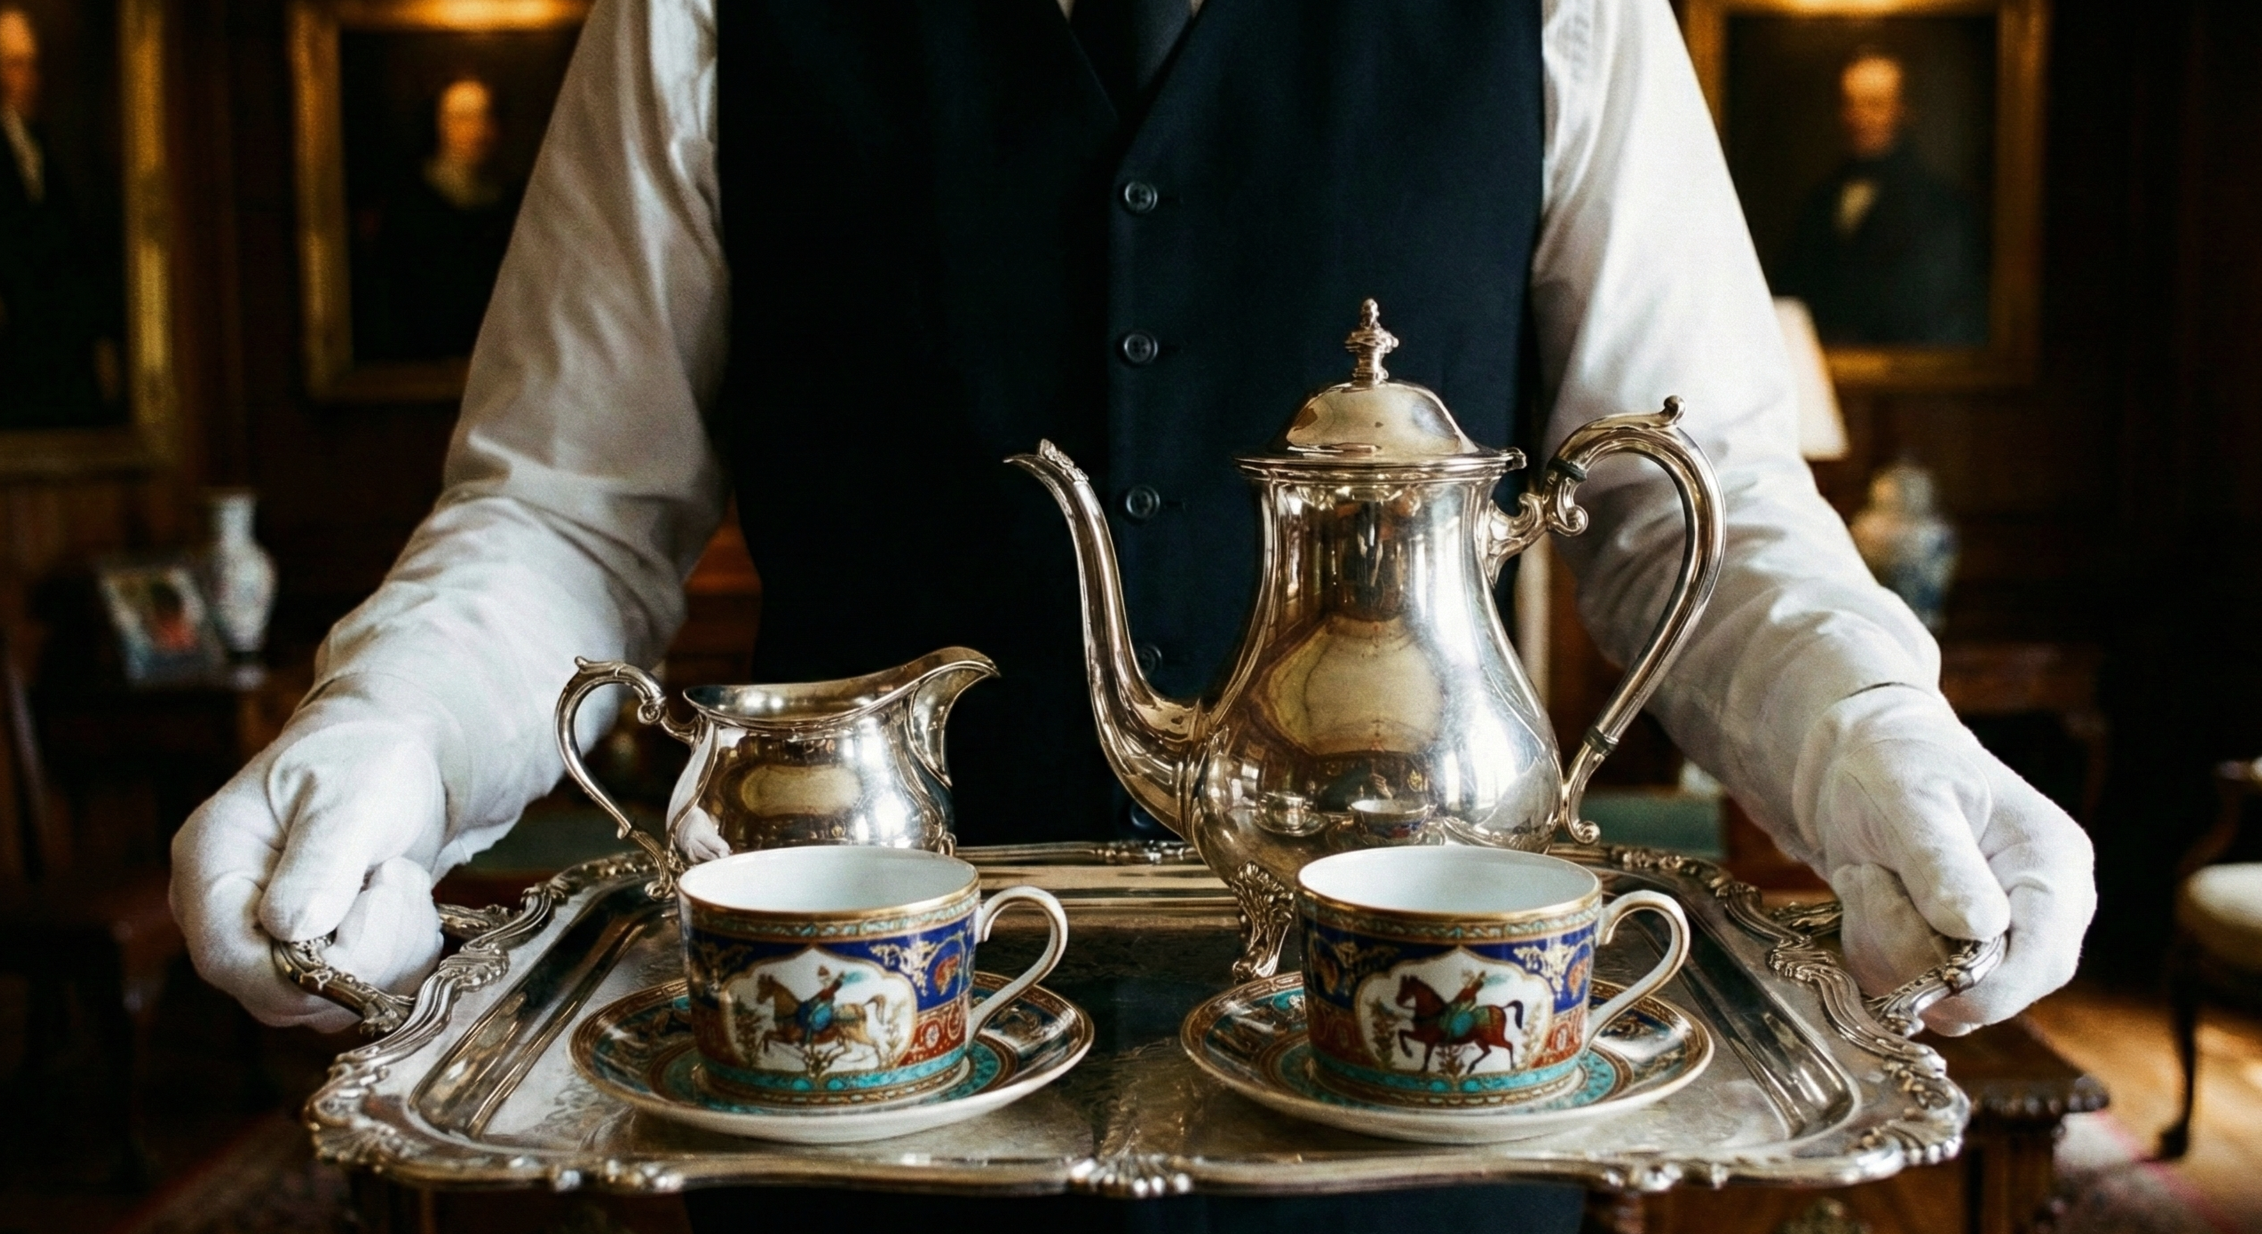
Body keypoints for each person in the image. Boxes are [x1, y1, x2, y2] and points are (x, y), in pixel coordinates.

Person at [172, 0, 2095, 1229]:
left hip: (1423, 1113)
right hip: (856, 1111)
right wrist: (392, 738)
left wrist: (1876, 741)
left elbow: (1702, 506)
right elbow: (568, 511)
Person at [1777, 48, 1989, 346]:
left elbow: (1945, 317)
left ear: (1904, 110)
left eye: (1874, 104)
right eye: (1850, 104)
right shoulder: (1819, 201)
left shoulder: (1941, 206)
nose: (1859, 117)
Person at [0, 2, 126, 429]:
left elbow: (73, 253)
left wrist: (97, 339)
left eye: (31, 65)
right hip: (16, 355)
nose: (28, 79)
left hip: (60, 352)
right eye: (16, 65)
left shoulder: (46, 151)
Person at [354, 75, 522, 361]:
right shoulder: (409, 201)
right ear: (440, 124)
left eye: (485, 117)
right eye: (464, 118)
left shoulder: (510, 200)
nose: (477, 130)